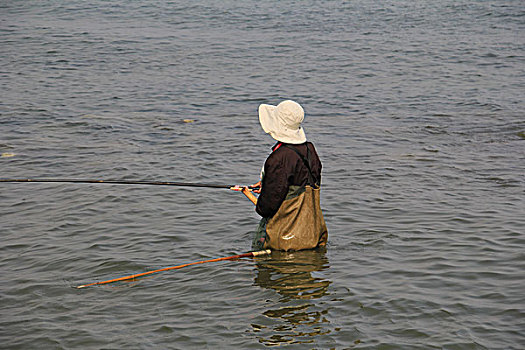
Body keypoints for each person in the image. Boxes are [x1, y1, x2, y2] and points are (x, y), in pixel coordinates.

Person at [239, 100, 328, 251]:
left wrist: (249, 193)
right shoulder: (309, 150)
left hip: (285, 243)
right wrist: (266, 184)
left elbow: (266, 209)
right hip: (313, 235)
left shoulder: (279, 158)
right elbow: (301, 183)